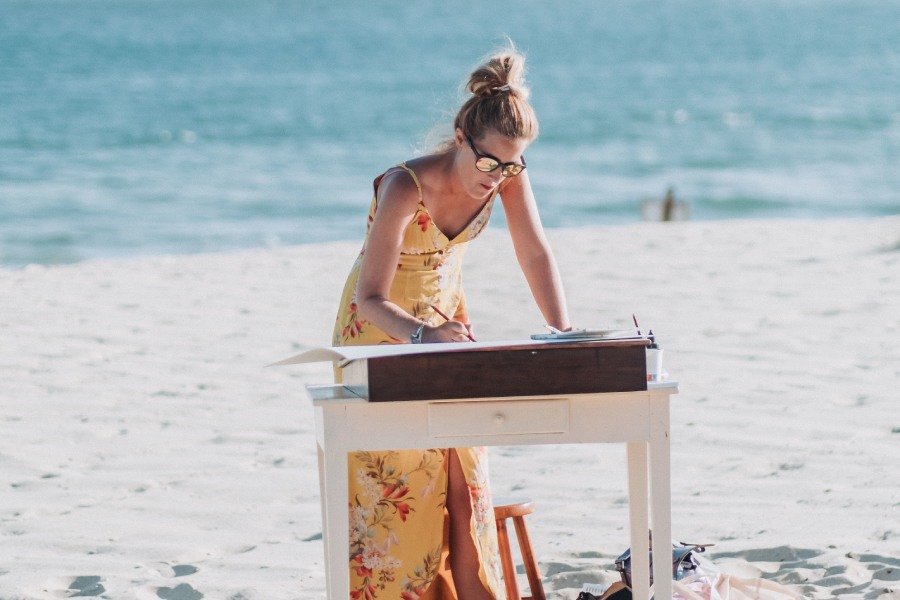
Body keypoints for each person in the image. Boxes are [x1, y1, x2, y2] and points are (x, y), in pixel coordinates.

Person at [332, 43, 571, 600]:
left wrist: (564, 334)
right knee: (404, 486)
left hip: (447, 331)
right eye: (489, 162)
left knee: (465, 477)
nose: (497, 177)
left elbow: (535, 253)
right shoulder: (402, 186)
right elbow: (369, 296)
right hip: (380, 335)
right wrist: (423, 336)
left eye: (512, 165)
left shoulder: (507, 172)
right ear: (462, 139)